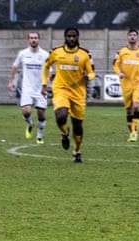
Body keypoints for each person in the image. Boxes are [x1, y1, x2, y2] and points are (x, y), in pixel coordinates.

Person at [41, 27, 95, 163]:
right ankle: (65, 133)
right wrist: (44, 84)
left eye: (74, 36)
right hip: (61, 89)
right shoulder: (56, 52)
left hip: (78, 93)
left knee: (78, 126)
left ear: (78, 37)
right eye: (69, 36)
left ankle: (77, 151)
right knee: (60, 115)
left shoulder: (85, 54)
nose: (71, 39)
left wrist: (87, 76)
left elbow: (92, 72)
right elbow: (46, 66)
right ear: (65, 37)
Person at [113, 28, 139, 142]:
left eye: (134, 35)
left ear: (137, 37)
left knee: (136, 106)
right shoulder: (121, 51)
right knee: (128, 110)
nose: (132, 37)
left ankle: (135, 133)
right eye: (130, 35)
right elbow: (115, 65)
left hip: (138, 84)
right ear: (127, 37)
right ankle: (131, 132)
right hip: (125, 84)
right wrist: (118, 72)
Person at [8, 32, 49, 144]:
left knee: (41, 114)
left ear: (39, 39)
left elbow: (49, 71)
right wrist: (11, 81)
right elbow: (15, 66)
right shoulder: (23, 54)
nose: (33, 40)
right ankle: (30, 124)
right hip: (27, 89)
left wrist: (46, 86)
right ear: (28, 40)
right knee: (26, 112)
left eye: (35, 38)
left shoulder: (45, 54)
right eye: (31, 38)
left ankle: (39, 136)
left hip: (40, 89)